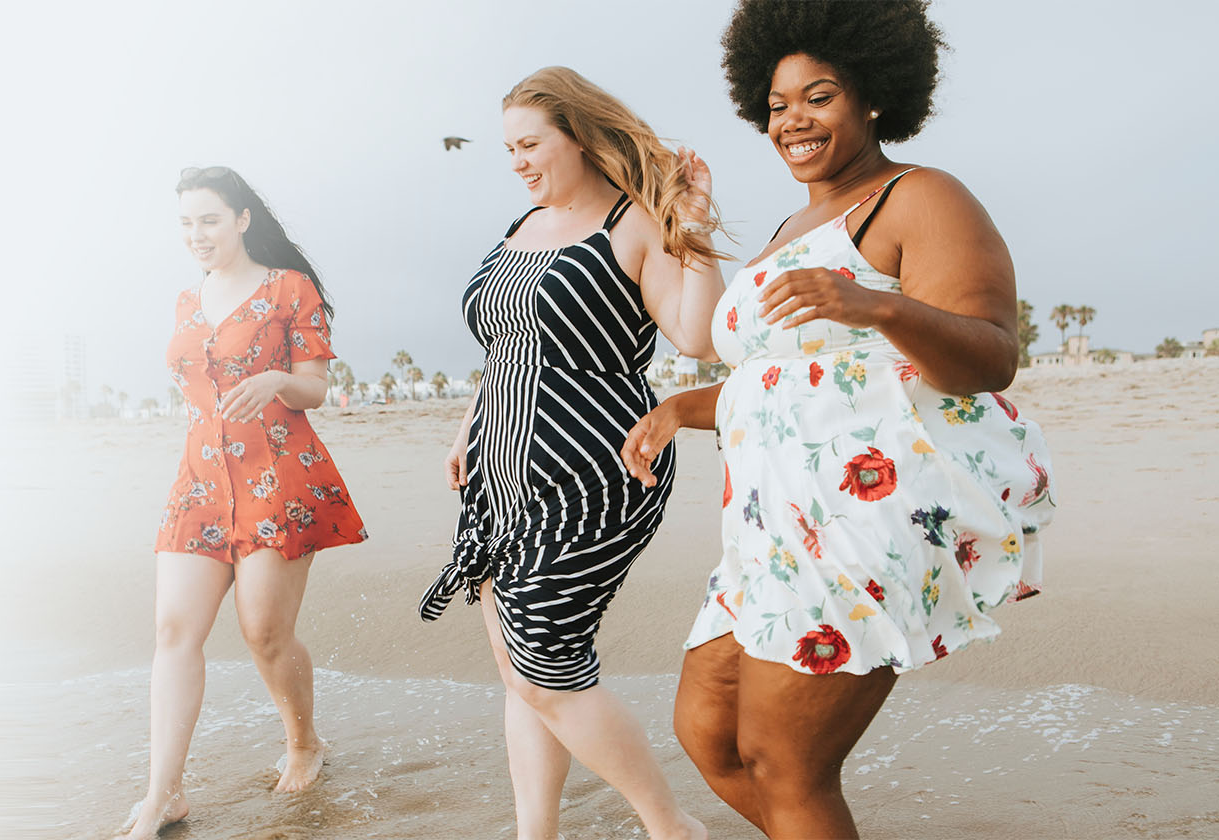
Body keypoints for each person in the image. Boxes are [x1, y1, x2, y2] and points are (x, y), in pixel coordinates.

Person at [619, 2, 1057, 837]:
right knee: (708, 734)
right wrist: (683, 405)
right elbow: (793, 383)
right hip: (769, 529)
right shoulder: (790, 228)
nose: (794, 121)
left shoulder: (919, 196)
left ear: (873, 98)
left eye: (818, 97)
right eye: (778, 105)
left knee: (789, 765)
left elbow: (992, 355)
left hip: (859, 521)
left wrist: (875, 308)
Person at [418, 66, 725, 840]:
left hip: (597, 470)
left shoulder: (635, 225)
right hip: (500, 471)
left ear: (579, 136)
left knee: (545, 665)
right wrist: (467, 428)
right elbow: (508, 348)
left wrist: (695, 226)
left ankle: (671, 825)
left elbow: (694, 335)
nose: (517, 161)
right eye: (508, 149)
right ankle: (537, 833)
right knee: (514, 667)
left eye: (530, 144)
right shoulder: (520, 228)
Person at [122, 166, 368, 839]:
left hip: (278, 473)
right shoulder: (185, 299)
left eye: (208, 219)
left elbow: (315, 387)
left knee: (263, 631)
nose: (196, 235)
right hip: (201, 479)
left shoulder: (289, 288)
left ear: (241, 219)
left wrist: (275, 380)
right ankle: (163, 794)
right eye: (185, 223)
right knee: (174, 631)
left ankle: (304, 741)